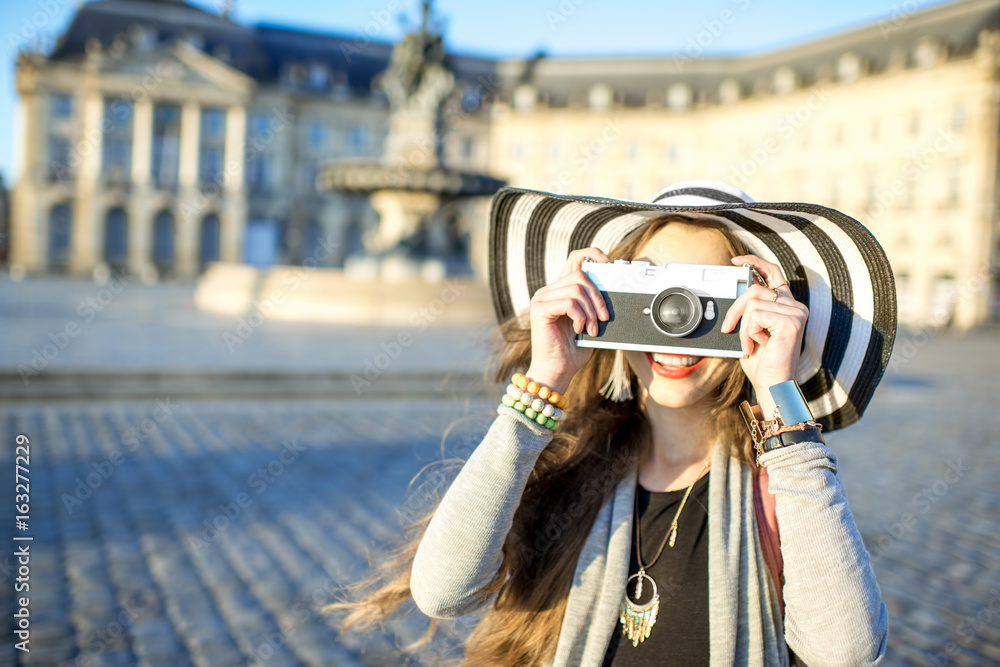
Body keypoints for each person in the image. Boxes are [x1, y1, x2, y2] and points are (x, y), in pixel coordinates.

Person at [327, 181, 895, 666]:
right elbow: (442, 591)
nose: (675, 319)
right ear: (607, 296)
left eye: (706, 293)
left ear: (754, 308)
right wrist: (545, 380)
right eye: (650, 289)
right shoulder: (564, 467)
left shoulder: (790, 492)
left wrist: (778, 388)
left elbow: (846, 652)